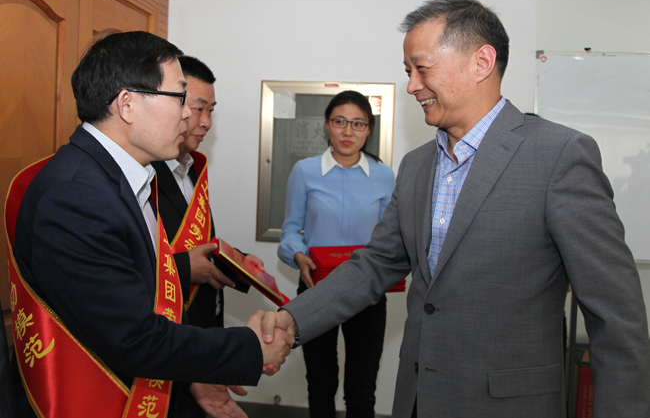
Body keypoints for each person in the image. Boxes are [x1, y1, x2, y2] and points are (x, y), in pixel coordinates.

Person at [262, 0, 650, 418]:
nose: (412, 86)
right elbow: (375, 265)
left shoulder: (559, 155)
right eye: (408, 72)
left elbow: (615, 314)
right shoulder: (416, 166)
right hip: (417, 399)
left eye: (422, 68)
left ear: (481, 62)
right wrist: (291, 320)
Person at [10, 31, 293, 418]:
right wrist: (250, 347)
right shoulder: (77, 196)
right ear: (127, 104)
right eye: (179, 97)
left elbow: (144, 300)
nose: (187, 115)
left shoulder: (121, 178)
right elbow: (132, 338)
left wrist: (192, 374)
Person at [277, 91, 395, 418]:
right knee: (320, 381)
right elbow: (290, 229)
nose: (348, 131)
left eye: (358, 124)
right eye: (340, 121)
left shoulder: (384, 176)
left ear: (369, 130)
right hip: (315, 288)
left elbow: (388, 239)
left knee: (361, 387)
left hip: (366, 292)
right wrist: (297, 254)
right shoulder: (305, 171)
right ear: (327, 125)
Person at [152, 55, 261, 331]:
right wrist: (183, 268)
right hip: (167, 330)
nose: (207, 122)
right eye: (199, 109)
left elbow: (198, 245)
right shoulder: (144, 172)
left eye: (211, 111)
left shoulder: (192, 167)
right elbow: (128, 264)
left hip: (205, 324)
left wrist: (236, 262)